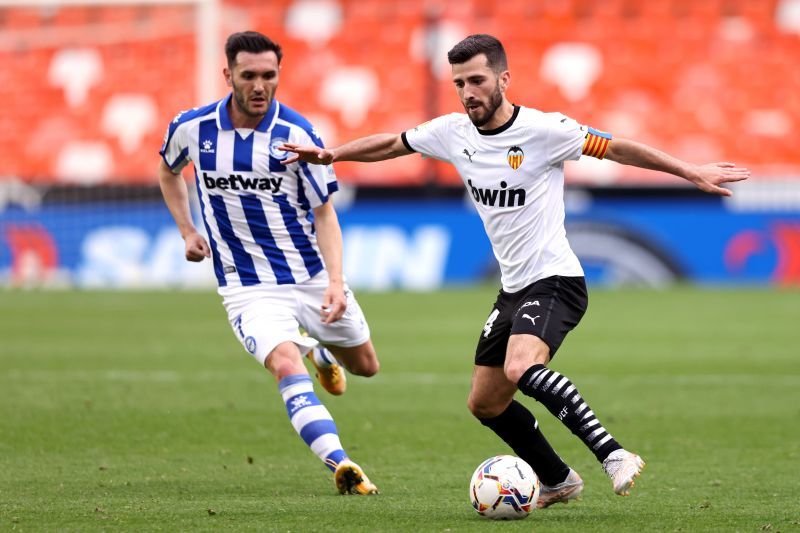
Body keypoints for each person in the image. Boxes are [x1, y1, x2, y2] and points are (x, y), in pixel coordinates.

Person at [282, 34, 749, 506]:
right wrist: (334, 154)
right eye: (460, 83)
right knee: (485, 403)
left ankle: (612, 454)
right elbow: (393, 144)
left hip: (556, 280)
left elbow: (619, 149)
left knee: (522, 365)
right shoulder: (452, 132)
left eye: (478, 80)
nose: (468, 92)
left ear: (504, 79)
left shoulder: (547, 131)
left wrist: (691, 171)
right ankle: (558, 479)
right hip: (513, 290)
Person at [158, 31, 380, 495]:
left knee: (365, 366)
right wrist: (187, 230)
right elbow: (168, 169)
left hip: (310, 277)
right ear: (228, 76)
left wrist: (336, 280)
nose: (260, 86)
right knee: (283, 362)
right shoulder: (192, 128)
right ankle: (340, 463)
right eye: (249, 76)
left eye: (269, 76)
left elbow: (324, 212)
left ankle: (319, 351)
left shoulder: (297, 134)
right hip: (247, 286)